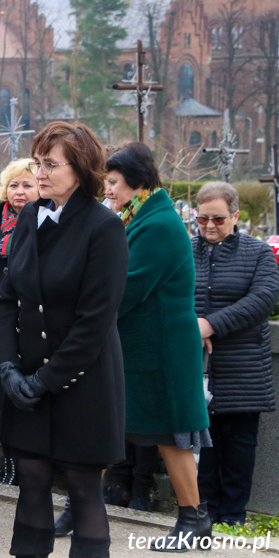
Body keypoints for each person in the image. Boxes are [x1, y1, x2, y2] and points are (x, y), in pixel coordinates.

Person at [0, 121, 129, 558]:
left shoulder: (103, 227)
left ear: (81, 168)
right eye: (38, 163)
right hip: (29, 374)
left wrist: (45, 380)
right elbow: (10, 298)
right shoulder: (31, 215)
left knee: (83, 485)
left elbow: (95, 320)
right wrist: (8, 366)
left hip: (82, 379)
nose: (41, 172)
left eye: (51, 164)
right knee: (31, 480)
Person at [74, 142, 212, 552]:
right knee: (108, 426)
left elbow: (126, 288)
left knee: (172, 436)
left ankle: (194, 518)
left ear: (137, 184)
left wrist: (80, 310)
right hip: (140, 349)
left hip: (163, 354)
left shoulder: (159, 226)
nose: (108, 191)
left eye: (114, 183)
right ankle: (83, 507)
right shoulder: (140, 217)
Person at [192, 182, 279, 526]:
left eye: (218, 219)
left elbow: (262, 300)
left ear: (236, 215)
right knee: (205, 447)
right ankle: (205, 513)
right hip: (198, 366)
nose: (210, 226)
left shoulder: (257, 253)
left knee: (240, 446)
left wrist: (210, 325)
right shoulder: (186, 249)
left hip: (244, 367)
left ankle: (233, 516)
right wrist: (190, 326)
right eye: (202, 219)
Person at [0, 159, 39, 484]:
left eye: (27, 184)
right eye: (14, 185)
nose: (19, 191)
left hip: (23, 321)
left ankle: (16, 463)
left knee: (15, 388)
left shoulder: (43, 223)